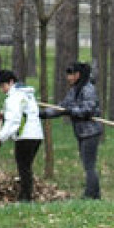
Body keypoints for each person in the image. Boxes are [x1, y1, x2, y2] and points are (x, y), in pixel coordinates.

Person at [40, 62, 103, 199]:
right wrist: (44, 114)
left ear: (78, 75)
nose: (68, 78)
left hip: (90, 132)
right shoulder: (74, 90)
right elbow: (63, 107)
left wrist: (71, 111)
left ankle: (91, 195)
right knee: (87, 164)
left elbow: (88, 110)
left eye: (70, 75)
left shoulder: (88, 89)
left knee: (89, 165)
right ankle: (93, 194)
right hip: (81, 132)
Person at [0, 69, 44, 202]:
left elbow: (14, 121)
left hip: (25, 136)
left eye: (3, 86)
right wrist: (4, 114)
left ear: (11, 82)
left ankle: (26, 198)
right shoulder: (27, 95)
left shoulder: (15, 97)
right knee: (26, 167)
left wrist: (0, 138)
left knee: (24, 168)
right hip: (36, 135)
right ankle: (25, 195)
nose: (2, 89)